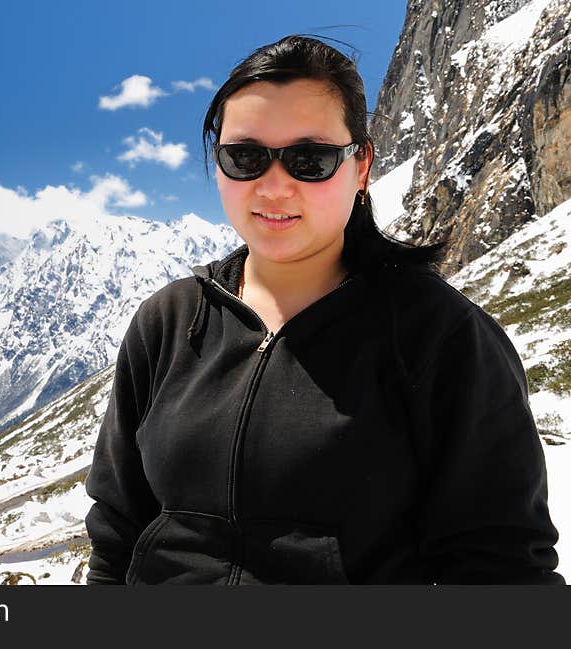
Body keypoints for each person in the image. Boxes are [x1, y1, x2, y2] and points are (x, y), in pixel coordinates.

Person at [84, 35, 563, 584]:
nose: (274, 185)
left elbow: (504, 569)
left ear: (361, 166)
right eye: (245, 157)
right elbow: (117, 531)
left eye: (309, 159)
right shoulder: (168, 321)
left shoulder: (439, 336)